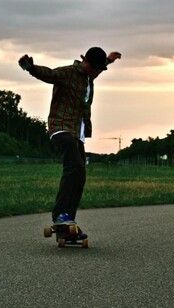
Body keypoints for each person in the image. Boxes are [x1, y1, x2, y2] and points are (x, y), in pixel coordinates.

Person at [18, 47, 121, 239]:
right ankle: (60, 216)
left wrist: (109, 60)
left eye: (99, 70)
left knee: (80, 174)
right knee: (73, 167)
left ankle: (67, 223)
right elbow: (49, 74)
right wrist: (30, 67)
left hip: (76, 133)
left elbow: (100, 67)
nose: (96, 73)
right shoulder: (68, 73)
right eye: (94, 69)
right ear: (86, 63)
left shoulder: (90, 75)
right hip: (60, 128)